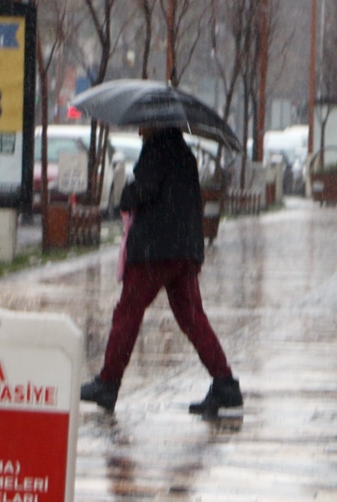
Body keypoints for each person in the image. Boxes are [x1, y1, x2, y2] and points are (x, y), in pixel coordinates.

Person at [80, 127, 242, 417]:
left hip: (155, 251)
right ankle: (225, 383)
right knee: (193, 318)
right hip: (184, 250)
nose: (140, 129)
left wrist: (128, 192)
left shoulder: (156, 152)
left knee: (127, 313)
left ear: (155, 123)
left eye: (144, 124)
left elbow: (140, 194)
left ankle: (108, 383)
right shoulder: (184, 154)